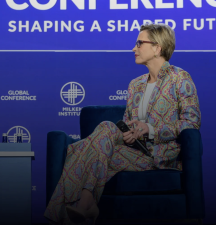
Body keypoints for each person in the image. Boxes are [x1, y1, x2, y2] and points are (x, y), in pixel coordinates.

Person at [44, 24, 201, 224]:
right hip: (132, 148)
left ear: (157, 48)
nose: (133, 49)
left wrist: (150, 130)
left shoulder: (180, 78)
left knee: (81, 150)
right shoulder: (135, 84)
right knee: (107, 127)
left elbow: (191, 123)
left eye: (139, 43)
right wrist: (130, 131)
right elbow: (127, 122)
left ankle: (77, 208)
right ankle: (86, 204)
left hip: (160, 153)